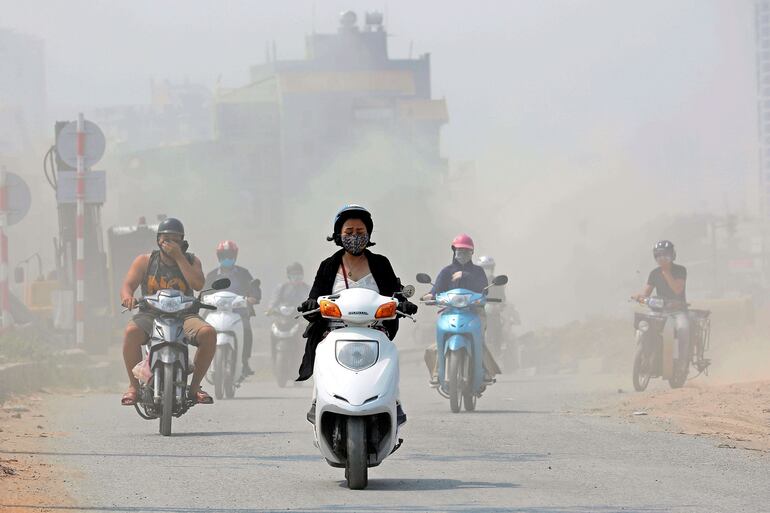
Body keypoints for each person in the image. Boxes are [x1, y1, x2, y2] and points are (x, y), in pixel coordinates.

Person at [296, 204, 417, 424]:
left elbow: (395, 295)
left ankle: (394, 400)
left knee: (391, 354)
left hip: (376, 330)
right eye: (349, 232)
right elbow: (314, 298)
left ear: (369, 234)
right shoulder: (328, 266)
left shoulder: (381, 263)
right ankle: (317, 399)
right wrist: (311, 303)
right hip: (334, 332)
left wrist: (404, 304)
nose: (354, 237)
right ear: (338, 236)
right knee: (321, 351)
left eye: (360, 233)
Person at [119, 217, 216, 405]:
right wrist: (127, 297)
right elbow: (127, 285)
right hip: (150, 313)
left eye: (175, 239)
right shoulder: (145, 261)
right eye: (166, 239)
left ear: (182, 241)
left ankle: (195, 388)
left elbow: (197, 284)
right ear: (158, 240)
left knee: (209, 333)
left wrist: (179, 257)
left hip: (185, 315)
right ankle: (133, 387)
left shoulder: (191, 260)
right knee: (131, 332)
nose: (170, 243)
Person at [421, 234, 500, 384]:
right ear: (454, 252)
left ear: (472, 253)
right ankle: (437, 372)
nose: (462, 255)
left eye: (466, 252)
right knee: (439, 342)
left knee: (479, 339)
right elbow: (437, 288)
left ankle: (484, 371)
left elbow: (484, 288)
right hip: (450, 311)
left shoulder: (478, 271)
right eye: (459, 251)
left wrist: (465, 275)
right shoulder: (446, 271)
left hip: (475, 312)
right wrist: (430, 295)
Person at [204, 240, 261, 376]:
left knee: (247, 330)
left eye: (230, 255)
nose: (227, 259)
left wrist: (253, 297)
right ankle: (203, 361)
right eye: (224, 256)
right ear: (218, 257)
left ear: (235, 256)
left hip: (239, 312)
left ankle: (244, 362)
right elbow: (204, 291)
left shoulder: (243, 273)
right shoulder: (212, 275)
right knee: (202, 331)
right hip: (215, 312)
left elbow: (254, 288)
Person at [632, 239, 690, 373]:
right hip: (659, 311)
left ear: (672, 255)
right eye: (659, 255)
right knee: (642, 329)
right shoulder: (654, 273)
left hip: (678, 311)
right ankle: (645, 355)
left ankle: (682, 363)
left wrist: (666, 272)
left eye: (665, 255)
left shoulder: (680, 270)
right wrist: (639, 297)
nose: (662, 258)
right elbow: (646, 293)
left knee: (683, 329)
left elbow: (677, 289)